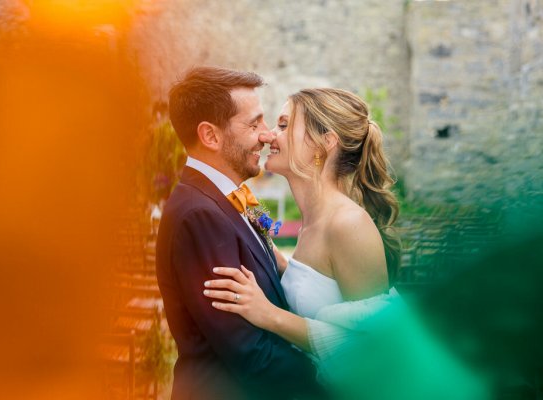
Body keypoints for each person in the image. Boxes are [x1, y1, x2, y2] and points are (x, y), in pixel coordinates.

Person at [203, 88, 490, 400]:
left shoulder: (348, 225)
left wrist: (269, 315)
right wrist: (270, 253)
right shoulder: (314, 223)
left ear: (325, 144)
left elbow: (373, 348)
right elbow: (319, 286)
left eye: (284, 125)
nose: (270, 135)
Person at [155, 67, 326, 400]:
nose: (266, 135)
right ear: (211, 136)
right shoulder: (200, 214)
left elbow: (269, 252)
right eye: (254, 123)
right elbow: (250, 352)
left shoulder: (233, 197)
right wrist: (330, 381)